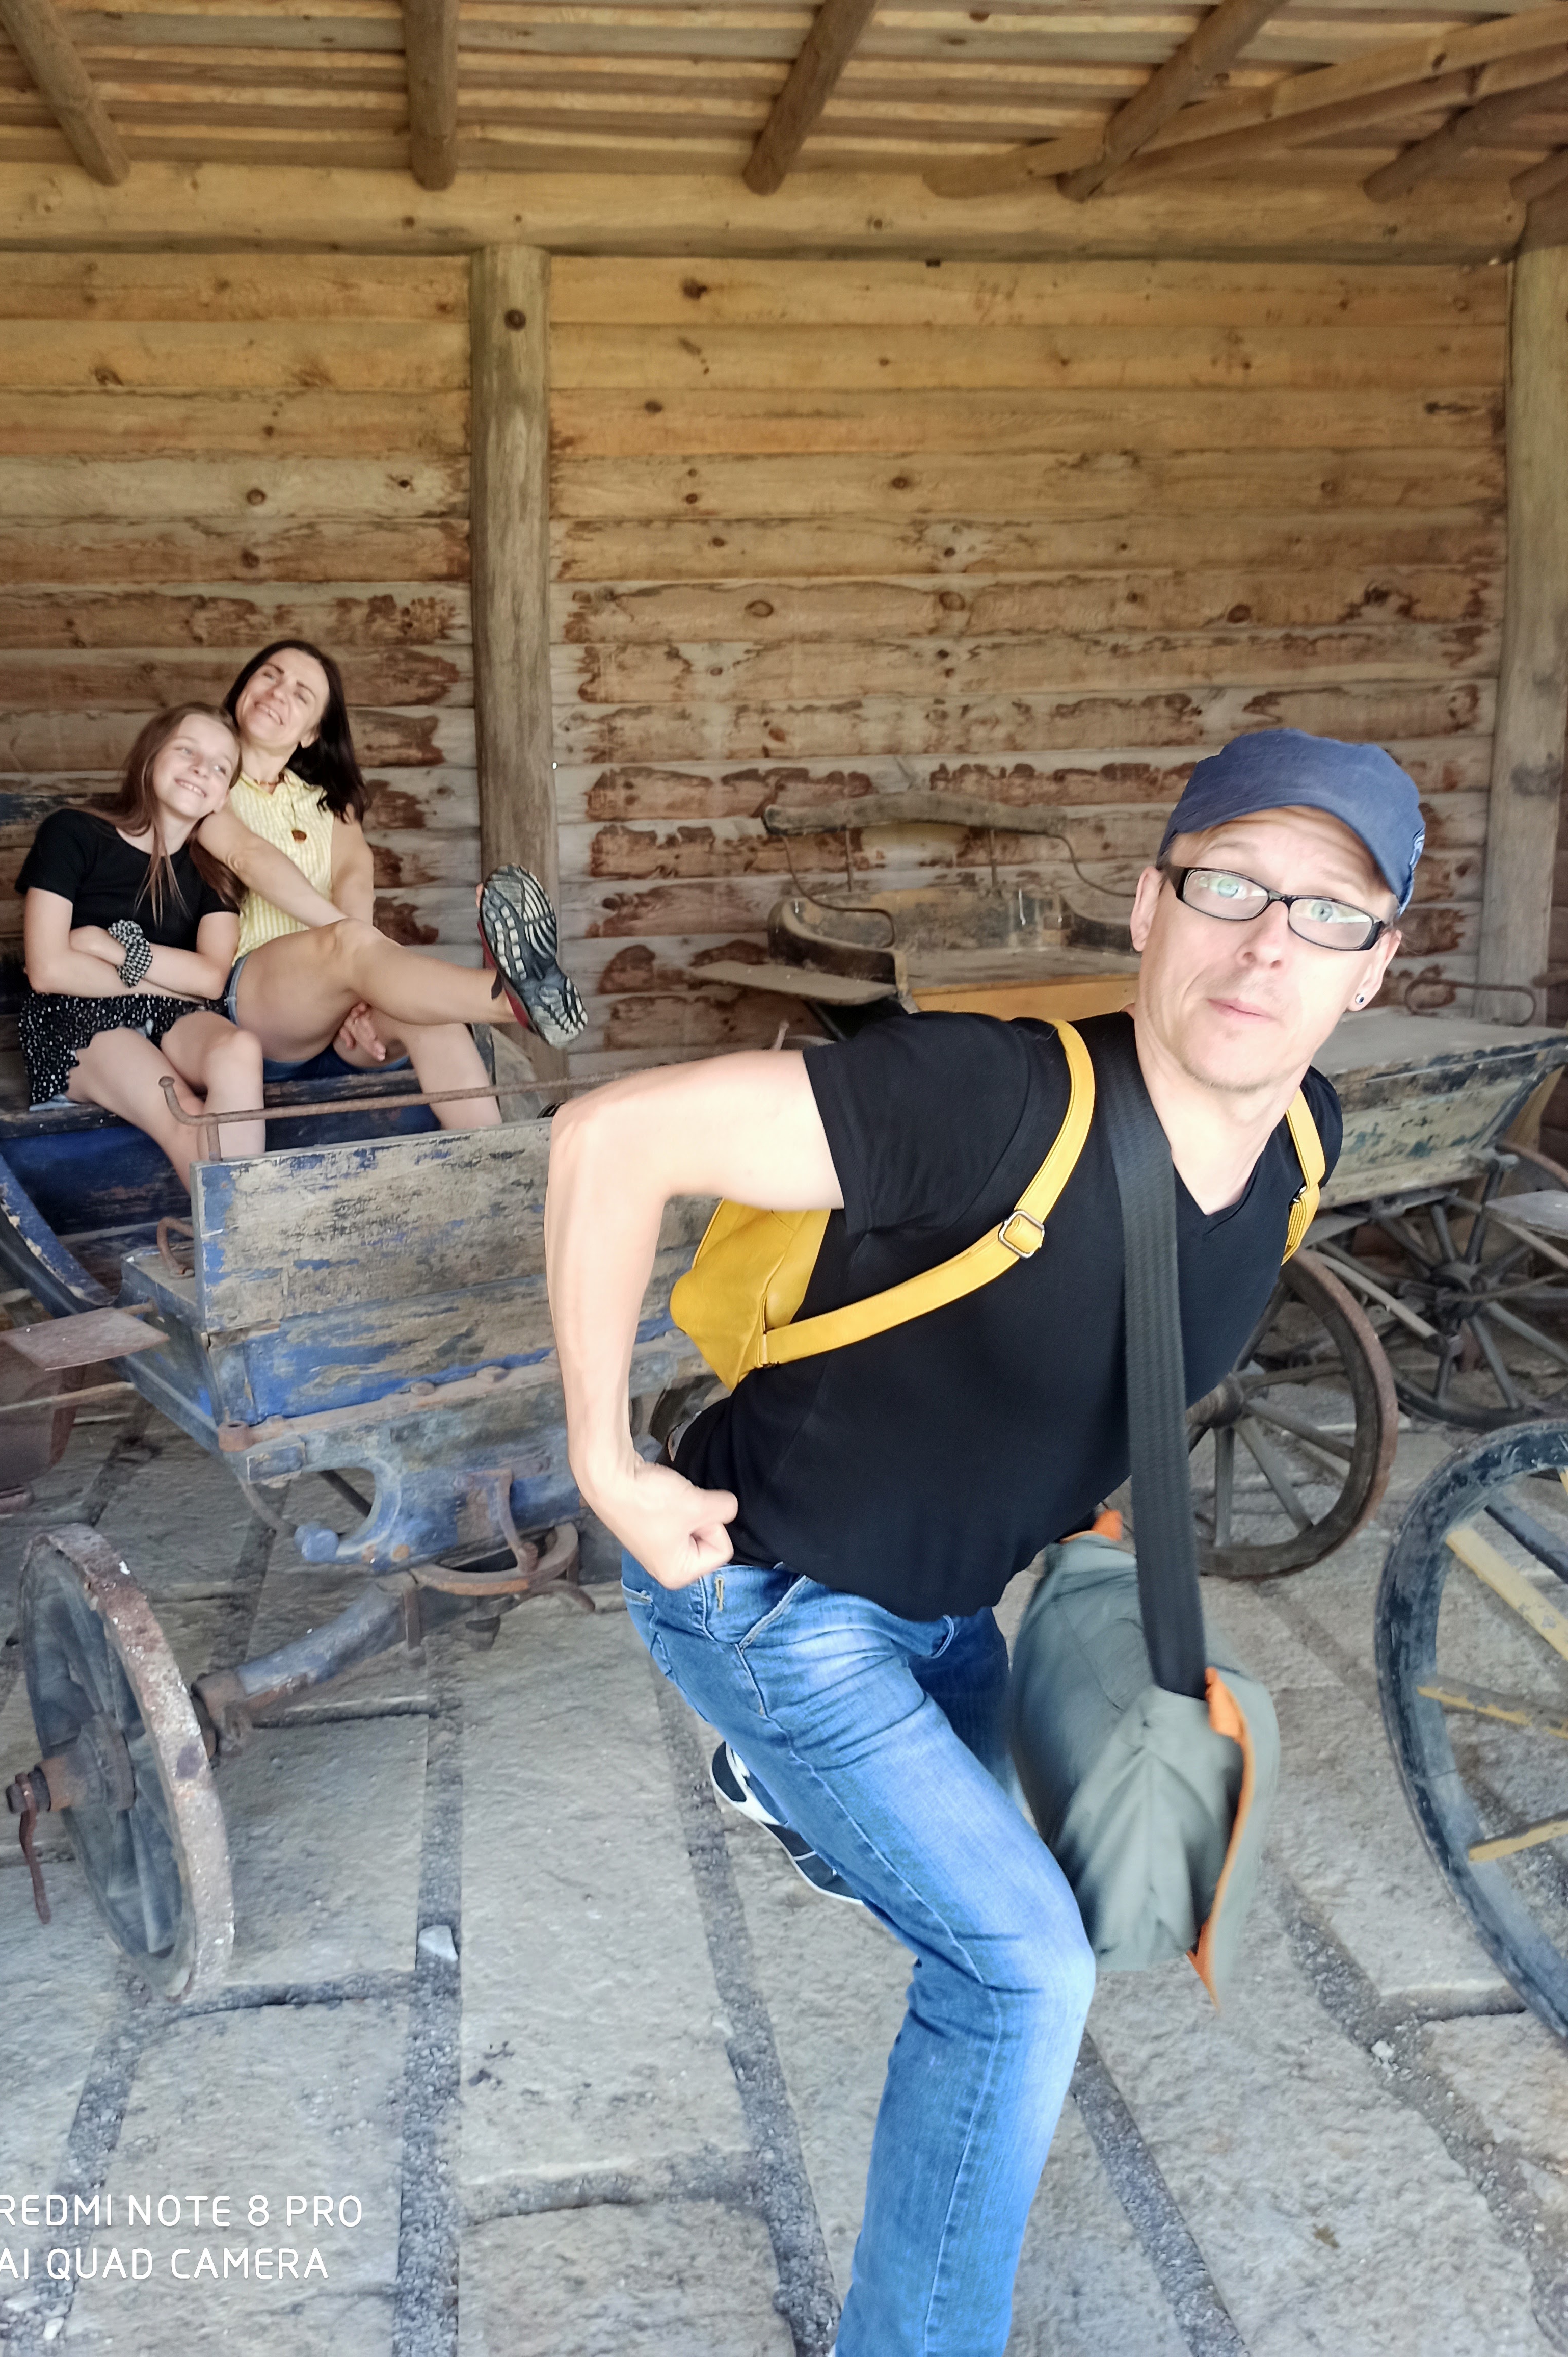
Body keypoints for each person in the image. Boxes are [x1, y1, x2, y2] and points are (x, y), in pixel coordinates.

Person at [544, 729, 1420, 2354]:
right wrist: (603, 1459)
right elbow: (611, 1139)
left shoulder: (1303, 1141)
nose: (1265, 946)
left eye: (1325, 913)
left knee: (1008, 1891)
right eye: (1229, 887)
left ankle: (785, 1795)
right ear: (1147, 905)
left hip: (952, 1606)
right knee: (1019, 1972)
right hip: (773, 1594)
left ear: (1374, 965)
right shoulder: (985, 1098)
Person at [190, 639, 585, 1130]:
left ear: (312, 733)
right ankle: (508, 998)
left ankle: (499, 1157)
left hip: (338, 1005)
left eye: (301, 693)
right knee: (350, 943)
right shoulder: (205, 782)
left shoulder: (332, 806)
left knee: (431, 1016)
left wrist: (365, 987)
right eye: (270, 675)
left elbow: (355, 885)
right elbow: (249, 858)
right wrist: (357, 952)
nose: (278, 692)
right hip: (255, 1001)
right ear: (244, 687)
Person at [16, 703, 265, 1185]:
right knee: (185, 1114)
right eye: (187, 751)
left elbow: (211, 979)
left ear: (223, 799)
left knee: (239, 1048)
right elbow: (48, 970)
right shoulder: (73, 833)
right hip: (74, 1015)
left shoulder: (214, 871)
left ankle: (239, 1217)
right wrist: (166, 983)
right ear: (150, 758)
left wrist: (115, 951)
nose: (202, 769)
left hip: (172, 1013)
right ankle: (242, 1224)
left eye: (220, 767)